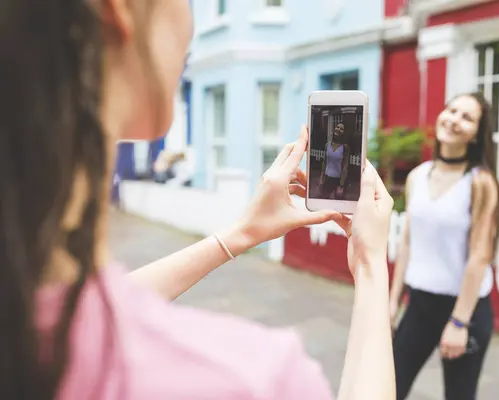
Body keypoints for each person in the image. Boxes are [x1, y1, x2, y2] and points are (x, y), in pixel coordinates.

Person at [0, 1, 396, 399]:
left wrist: (240, 234)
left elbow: (82, 307)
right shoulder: (251, 381)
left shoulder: (23, 318)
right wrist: (370, 263)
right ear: (120, 11)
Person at [389, 92, 499, 400]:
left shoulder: (480, 182)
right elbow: (408, 243)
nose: (454, 120)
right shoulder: (418, 176)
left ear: (478, 134)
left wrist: (459, 322)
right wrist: (392, 303)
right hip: (420, 305)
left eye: (467, 117)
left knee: (459, 395)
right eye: (451, 110)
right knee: (388, 389)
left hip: (465, 309)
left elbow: (480, 257)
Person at [319, 122, 350, 199]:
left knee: (338, 203)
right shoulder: (327, 145)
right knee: (324, 200)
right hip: (327, 178)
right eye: (337, 127)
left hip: (338, 180)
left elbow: (345, 166)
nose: (338, 129)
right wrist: (321, 178)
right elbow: (324, 162)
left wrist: (341, 185)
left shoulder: (345, 147)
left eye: (341, 129)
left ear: (344, 133)